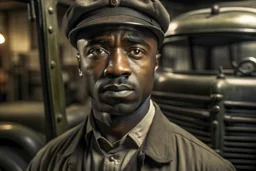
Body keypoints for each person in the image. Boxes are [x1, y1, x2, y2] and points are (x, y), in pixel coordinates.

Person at [27, 0, 236, 170]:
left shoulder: (207, 166)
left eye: (136, 51)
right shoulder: (45, 162)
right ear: (80, 64)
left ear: (155, 63)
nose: (117, 68)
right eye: (97, 51)